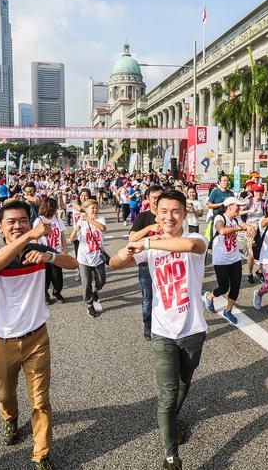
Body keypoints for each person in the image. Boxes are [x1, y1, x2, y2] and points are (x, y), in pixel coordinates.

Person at [110, 189, 209, 470]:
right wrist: (128, 249)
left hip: (193, 330)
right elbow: (114, 264)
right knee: (166, 394)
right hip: (163, 331)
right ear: (156, 214)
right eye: (163, 211)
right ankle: (170, 457)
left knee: (184, 383)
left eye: (176, 211)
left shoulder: (196, 239)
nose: (169, 217)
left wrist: (148, 241)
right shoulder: (148, 248)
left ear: (184, 214)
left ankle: (172, 422)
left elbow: (189, 248)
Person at [0, 200, 78, 469]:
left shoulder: (38, 249)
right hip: (3, 340)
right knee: (6, 393)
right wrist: (30, 237)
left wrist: (50, 256)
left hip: (37, 338)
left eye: (23, 220)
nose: (17, 226)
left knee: (40, 400)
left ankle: (41, 454)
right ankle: (10, 419)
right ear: (0, 227)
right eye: (10, 221)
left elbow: (73, 264)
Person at [202, 197, 252, 325]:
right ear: (229, 206)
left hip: (235, 258)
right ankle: (210, 296)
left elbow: (243, 224)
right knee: (223, 288)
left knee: (235, 286)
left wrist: (249, 227)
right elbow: (222, 231)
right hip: (221, 260)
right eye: (237, 206)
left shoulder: (236, 219)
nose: (239, 208)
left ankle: (228, 311)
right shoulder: (220, 218)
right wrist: (240, 229)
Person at [129, 184, 165, 339]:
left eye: (160, 197)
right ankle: (148, 325)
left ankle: (164, 326)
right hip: (146, 265)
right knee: (148, 299)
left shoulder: (168, 216)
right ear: (148, 199)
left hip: (165, 263)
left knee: (165, 298)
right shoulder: (142, 217)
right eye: (154, 198)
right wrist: (150, 228)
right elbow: (132, 238)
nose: (157, 201)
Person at [74, 198, 108, 318]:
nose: (95, 210)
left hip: (98, 256)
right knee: (86, 282)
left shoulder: (100, 219)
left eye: (96, 207)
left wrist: (88, 219)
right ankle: (89, 304)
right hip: (84, 258)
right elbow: (73, 237)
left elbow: (103, 228)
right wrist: (75, 231)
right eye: (92, 208)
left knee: (102, 281)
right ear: (86, 209)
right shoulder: (80, 221)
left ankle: (95, 292)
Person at [34, 197, 68, 305]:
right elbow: (35, 237)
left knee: (58, 278)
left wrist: (65, 248)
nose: (56, 210)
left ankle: (57, 292)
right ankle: (45, 294)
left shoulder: (57, 219)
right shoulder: (39, 220)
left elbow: (62, 235)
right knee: (45, 277)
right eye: (54, 208)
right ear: (49, 208)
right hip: (44, 253)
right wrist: (37, 251)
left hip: (56, 252)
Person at [244, 184, 266, 284]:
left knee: (264, 253)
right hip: (250, 230)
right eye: (257, 191)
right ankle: (249, 274)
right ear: (253, 192)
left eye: (261, 191)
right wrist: (249, 210)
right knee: (251, 255)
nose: (259, 193)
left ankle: (260, 271)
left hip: (261, 231)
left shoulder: (264, 203)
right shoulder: (249, 201)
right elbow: (237, 212)